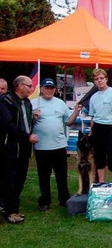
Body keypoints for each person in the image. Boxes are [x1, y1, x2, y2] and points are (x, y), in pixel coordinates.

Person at [31, 78, 73, 211]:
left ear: (55, 89)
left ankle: (64, 199)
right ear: (41, 89)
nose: (49, 90)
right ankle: (45, 200)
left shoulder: (61, 103)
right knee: (43, 176)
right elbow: (25, 123)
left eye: (51, 88)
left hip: (59, 145)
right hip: (41, 147)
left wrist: (77, 111)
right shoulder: (33, 103)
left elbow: (69, 122)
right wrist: (33, 117)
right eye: (46, 88)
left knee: (62, 175)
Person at [0, 76, 38, 223]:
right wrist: (26, 137)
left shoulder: (27, 102)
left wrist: (33, 119)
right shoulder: (6, 101)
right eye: (29, 86)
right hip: (10, 147)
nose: (32, 88)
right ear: (20, 86)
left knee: (20, 179)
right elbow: (8, 124)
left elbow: (25, 121)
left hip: (24, 147)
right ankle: (10, 211)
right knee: (9, 179)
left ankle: (13, 208)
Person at [87, 68, 112, 184]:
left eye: (101, 78)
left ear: (106, 79)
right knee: (99, 158)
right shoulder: (93, 97)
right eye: (96, 79)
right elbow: (93, 116)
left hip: (110, 128)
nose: (99, 81)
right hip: (97, 128)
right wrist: (91, 132)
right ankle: (101, 183)